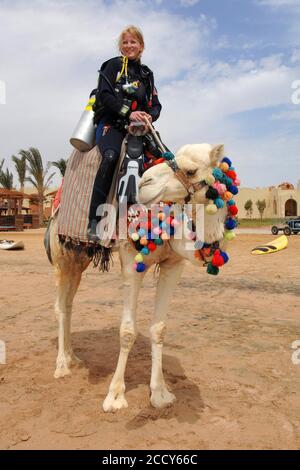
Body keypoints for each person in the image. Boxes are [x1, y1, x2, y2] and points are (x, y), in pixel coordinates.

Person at [88, 25, 162, 241]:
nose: (129, 46)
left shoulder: (147, 74)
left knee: (163, 162)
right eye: (125, 42)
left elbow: (156, 104)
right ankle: (95, 221)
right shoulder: (112, 66)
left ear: (141, 46)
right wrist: (129, 113)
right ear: (121, 46)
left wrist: (150, 116)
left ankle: (156, 222)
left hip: (141, 129)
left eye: (133, 42)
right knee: (110, 157)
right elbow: (104, 96)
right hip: (112, 125)